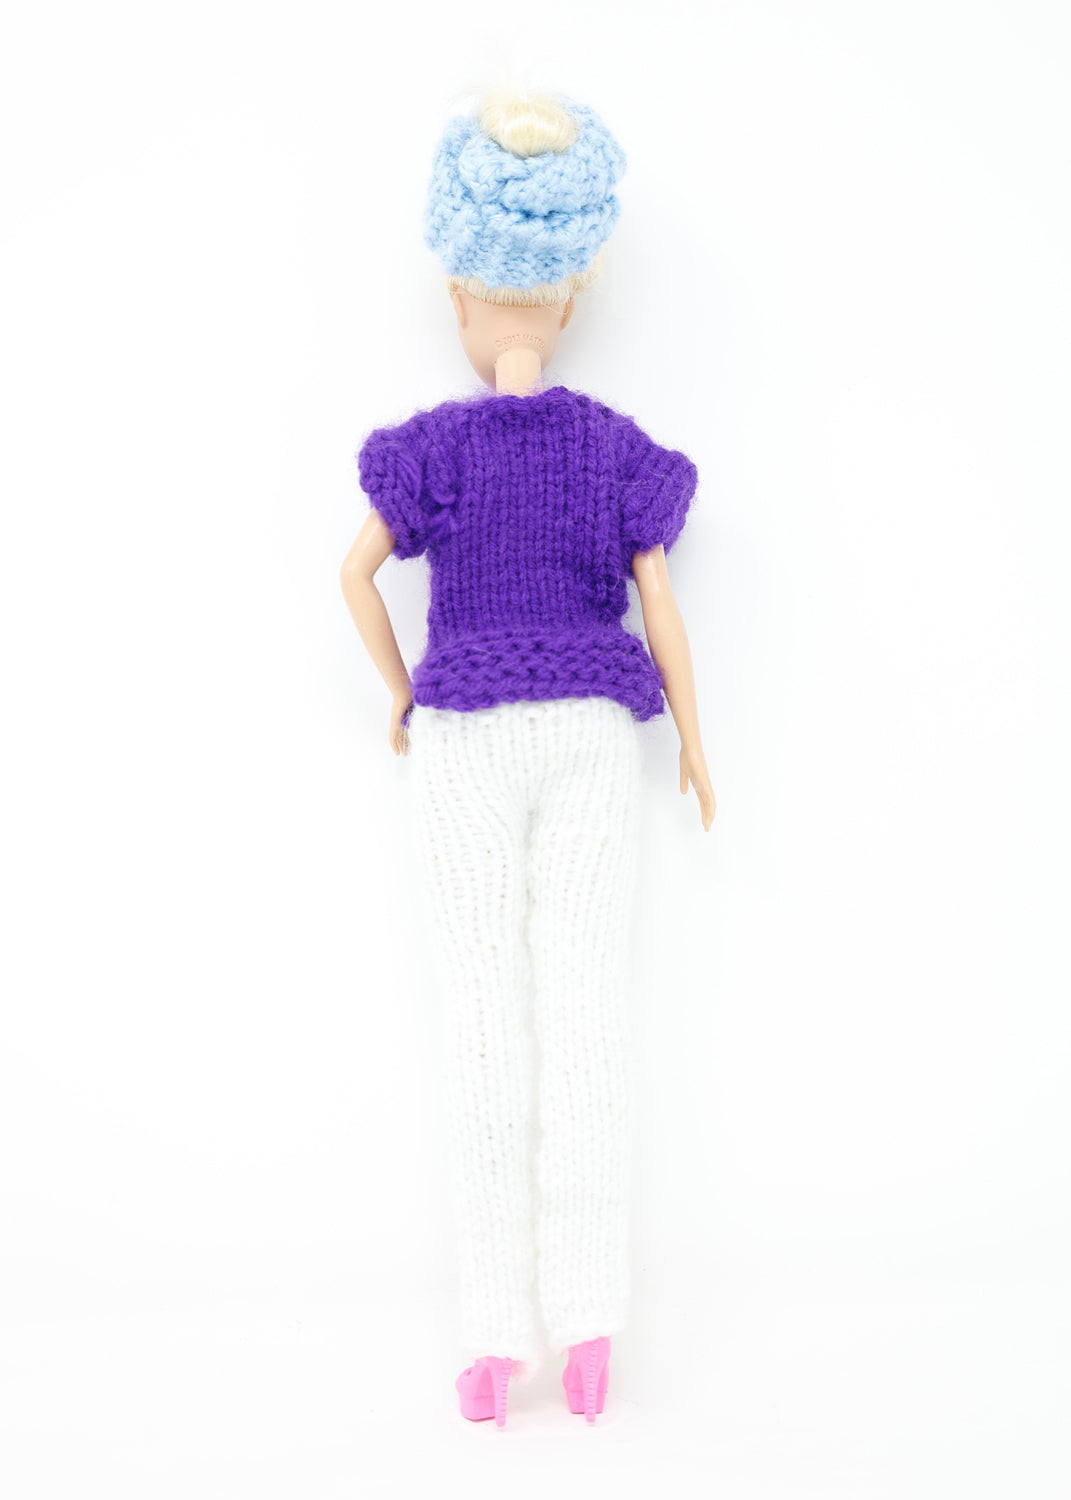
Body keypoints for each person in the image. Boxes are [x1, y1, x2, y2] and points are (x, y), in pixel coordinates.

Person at [339, 90, 716, 1428]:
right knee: (585, 1011)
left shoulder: (434, 450)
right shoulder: (612, 448)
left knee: (483, 1020)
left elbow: (353, 576)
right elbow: (659, 599)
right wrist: (696, 737)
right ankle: (592, 1328)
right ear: (573, 290)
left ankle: (497, 1345)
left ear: (457, 290)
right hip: (591, 732)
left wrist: (403, 691)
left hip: (465, 733)